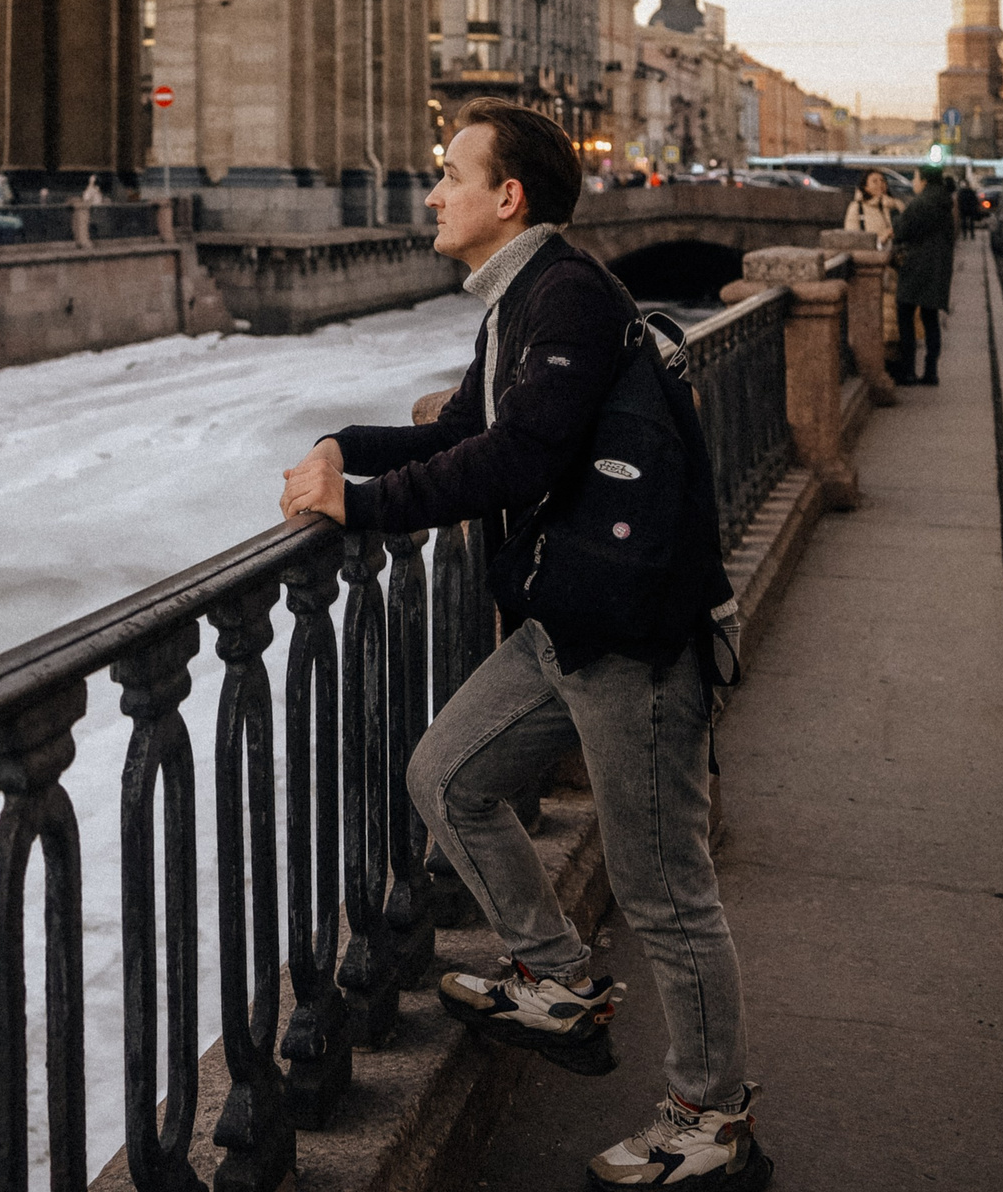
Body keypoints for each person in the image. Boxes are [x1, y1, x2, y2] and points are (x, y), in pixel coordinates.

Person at [278, 99, 769, 1190]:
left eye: (450, 173)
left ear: (508, 197)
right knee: (445, 775)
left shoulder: (569, 298)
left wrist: (355, 505)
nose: (433, 192)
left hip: (634, 638)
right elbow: (465, 431)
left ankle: (712, 1116)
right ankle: (556, 976)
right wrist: (339, 442)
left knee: (665, 894)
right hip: (567, 620)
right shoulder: (517, 300)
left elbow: (513, 461)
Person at [891, 165, 956, 386]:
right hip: (938, 266)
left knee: (905, 315)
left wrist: (894, 214)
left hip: (918, 266)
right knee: (930, 319)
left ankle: (908, 370)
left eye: (916, 178)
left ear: (925, 181)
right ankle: (930, 371)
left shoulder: (922, 202)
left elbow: (902, 231)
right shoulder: (943, 200)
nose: (914, 183)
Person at [841, 169, 902, 244]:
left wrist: (895, 205)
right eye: (875, 181)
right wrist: (881, 239)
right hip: (870, 253)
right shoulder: (857, 207)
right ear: (866, 187)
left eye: (882, 180)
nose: (880, 184)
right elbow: (851, 236)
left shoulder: (895, 204)